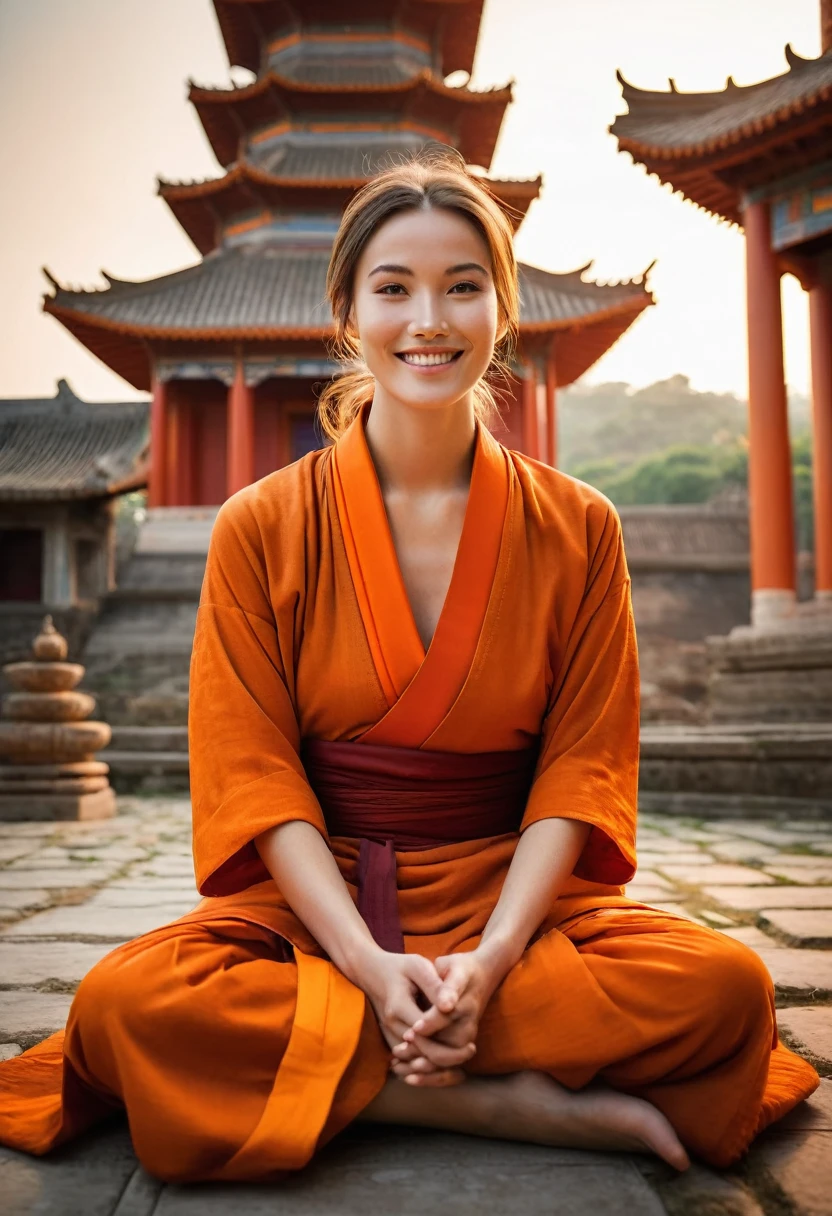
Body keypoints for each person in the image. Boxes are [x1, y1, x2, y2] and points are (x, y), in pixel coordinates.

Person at [0, 153, 818, 1183]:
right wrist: (365, 961)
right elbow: (254, 775)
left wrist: (490, 958)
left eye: (462, 285)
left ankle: (350, 1069)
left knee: (724, 985)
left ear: (503, 308)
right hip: (318, 898)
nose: (428, 318)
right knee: (128, 1007)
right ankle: (496, 1103)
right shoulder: (263, 524)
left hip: (504, 891)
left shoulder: (579, 528)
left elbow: (580, 770)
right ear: (346, 311)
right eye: (393, 288)